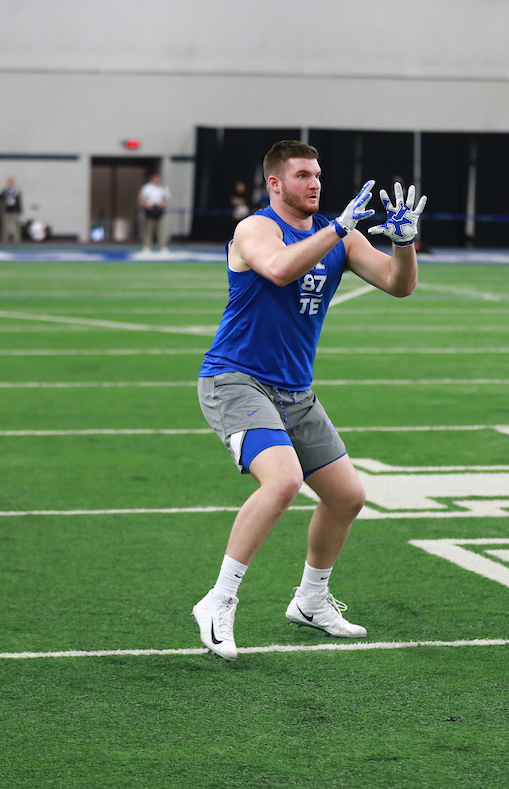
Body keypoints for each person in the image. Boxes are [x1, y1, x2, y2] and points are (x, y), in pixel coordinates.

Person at [192, 140, 426, 661]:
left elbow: (398, 284)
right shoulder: (256, 229)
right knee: (284, 480)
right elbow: (277, 268)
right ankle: (219, 600)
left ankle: (311, 600)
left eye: (317, 174)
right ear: (275, 183)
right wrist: (337, 231)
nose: (314, 183)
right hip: (236, 380)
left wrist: (406, 243)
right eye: (301, 175)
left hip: (294, 391)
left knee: (347, 497)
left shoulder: (335, 235)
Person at [138, 172, 171, 253]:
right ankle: (147, 247)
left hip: (159, 210)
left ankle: (163, 247)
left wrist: (162, 204)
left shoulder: (163, 188)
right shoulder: (147, 188)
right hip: (150, 209)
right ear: (152, 179)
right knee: (149, 229)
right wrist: (147, 205)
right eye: (155, 178)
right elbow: (141, 199)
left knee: (160, 229)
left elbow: (168, 199)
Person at [0, 177, 22, 244]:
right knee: (5, 227)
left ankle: (16, 240)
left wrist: (19, 210)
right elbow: (0, 200)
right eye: (9, 182)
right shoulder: (5, 191)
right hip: (6, 211)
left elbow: (19, 202)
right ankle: (5, 240)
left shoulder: (16, 191)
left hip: (14, 211)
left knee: (16, 227)